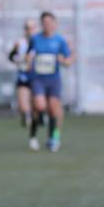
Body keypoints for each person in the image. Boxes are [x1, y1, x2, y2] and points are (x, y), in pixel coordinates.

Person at [26, 11, 75, 153]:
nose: (47, 25)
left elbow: (68, 60)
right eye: (44, 23)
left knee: (54, 108)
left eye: (49, 22)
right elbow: (28, 55)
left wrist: (64, 61)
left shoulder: (60, 40)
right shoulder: (35, 39)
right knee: (40, 105)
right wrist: (28, 60)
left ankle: (54, 138)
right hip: (38, 78)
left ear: (54, 24)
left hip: (53, 79)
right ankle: (33, 135)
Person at [8, 19, 37, 127]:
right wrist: (21, 59)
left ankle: (38, 116)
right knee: (23, 103)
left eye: (32, 28)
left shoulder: (40, 42)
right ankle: (27, 116)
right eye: (27, 28)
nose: (30, 31)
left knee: (37, 102)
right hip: (23, 75)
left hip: (38, 76)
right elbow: (11, 57)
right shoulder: (20, 43)